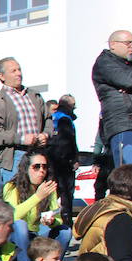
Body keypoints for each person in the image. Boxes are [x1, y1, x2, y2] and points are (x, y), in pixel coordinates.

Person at [0, 58, 51, 184]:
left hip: (38, 155)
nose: (18, 73)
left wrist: (46, 134)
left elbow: (48, 119)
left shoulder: (34, 96)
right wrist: (21, 139)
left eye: (19, 69)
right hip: (15, 157)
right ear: (1, 76)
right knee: (16, 200)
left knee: (40, 199)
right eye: (13, 71)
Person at [92, 30, 132, 169]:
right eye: (128, 43)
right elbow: (131, 81)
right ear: (113, 44)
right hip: (127, 127)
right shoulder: (105, 62)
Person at [2, 150, 69, 261]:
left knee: (65, 231)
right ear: (26, 169)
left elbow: (58, 219)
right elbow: (12, 216)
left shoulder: (48, 188)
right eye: (36, 167)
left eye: (44, 167)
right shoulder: (11, 187)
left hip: (36, 235)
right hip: (14, 235)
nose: (41, 171)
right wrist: (37, 197)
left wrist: (52, 221)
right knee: (20, 225)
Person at [49, 94, 80, 225]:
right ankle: (66, 222)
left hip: (52, 160)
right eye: (73, 106)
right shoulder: (65, 119)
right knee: (66, 193)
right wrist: (73, 159)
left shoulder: (53, 117)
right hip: (63, 163)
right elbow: (68, 141)